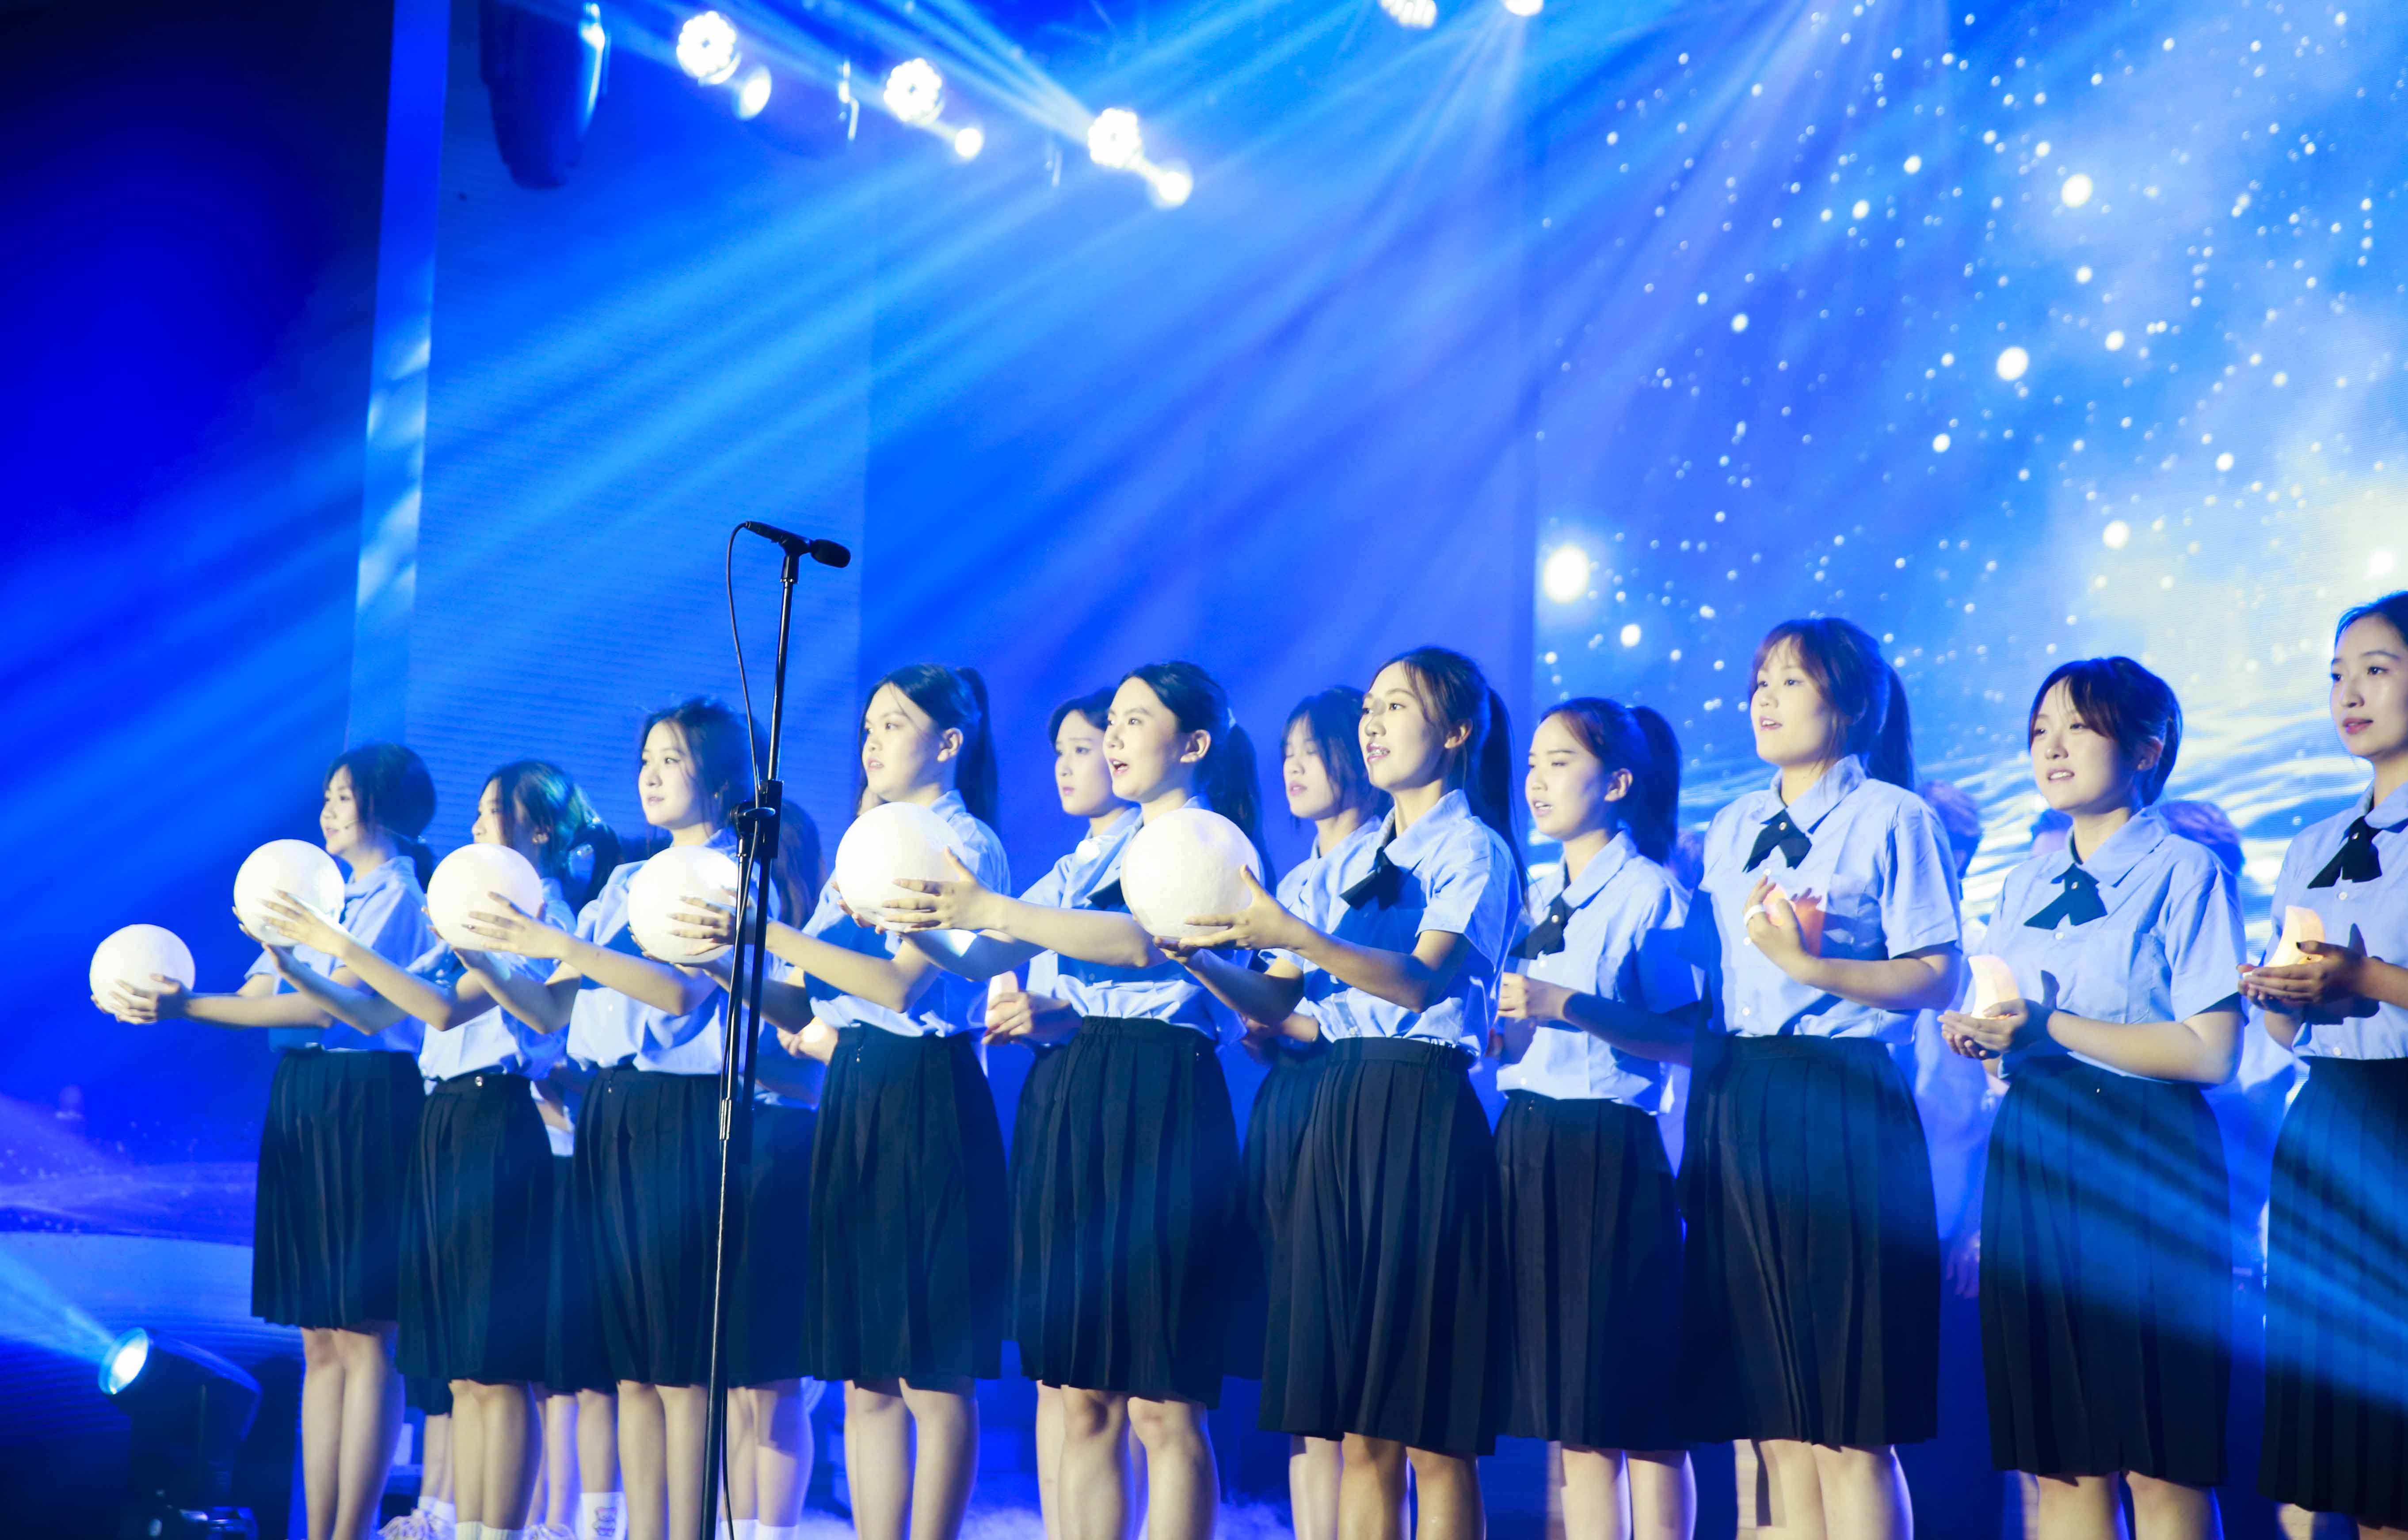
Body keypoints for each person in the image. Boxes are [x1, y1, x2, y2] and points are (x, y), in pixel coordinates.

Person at [883, 661, 1266, 1540]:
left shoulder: (1207, 841)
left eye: (1132, 722)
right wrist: (915, 922)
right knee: (1082, 1388)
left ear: (1194, 744)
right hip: (1078, 1086)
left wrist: (990, 907)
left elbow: (1140, 945)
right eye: (1112, 723)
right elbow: (990, 952)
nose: (1115, 740)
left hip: (1161, 1090)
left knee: (1163, 1402)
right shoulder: (1084, 858)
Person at [1158, 646, 1522, 1540]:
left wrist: (1295, 933)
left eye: (1396, 706)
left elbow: (1420, 983)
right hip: (1339, 1109)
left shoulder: (1474, 848)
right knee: (1358, 1426)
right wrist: (1199, 960)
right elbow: (1280, 999)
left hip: (1420, 1109)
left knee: (1431, 1431)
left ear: (1457, 732)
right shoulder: (1355, 862)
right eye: (1370, 708)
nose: (1374, 723)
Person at [675, 665, 1010, 1540]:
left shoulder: (961, 844)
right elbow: (803, 1000)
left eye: (894, 723)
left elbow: (898, 986)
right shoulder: (865, 844)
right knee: (865, 1371)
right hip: (856, 1087)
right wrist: (722, 959)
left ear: (950, 741)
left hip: (928, 1090)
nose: (872, 741)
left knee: (931, 1369)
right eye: (868, 726)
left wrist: (767, 933)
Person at [453, 700, 777, 1540]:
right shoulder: (625, 883)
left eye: (672, 759)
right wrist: (484, 955)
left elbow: (679, 991)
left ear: (722, 776)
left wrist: (557, 944)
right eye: (646, 760)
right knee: (630, 1363)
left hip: (685, 1115)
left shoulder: (730, 873)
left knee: (681, 1365)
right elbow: (548, 1010)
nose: (651, 775)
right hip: (610, 1110)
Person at [263, 762, 613, 1540]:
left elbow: (500, 1013)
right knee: (460, 1367)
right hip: (444, 1118)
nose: (478, 826)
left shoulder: (543, 913)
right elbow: (401, 1007)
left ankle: (498, 1530)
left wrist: (336, 941)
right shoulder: (471, 917)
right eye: (479, 812)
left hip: (498, 1119)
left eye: (494, 813)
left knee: (497, 1363)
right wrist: (299, 960)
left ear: (541, 831)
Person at [103, 744, 440, 1540]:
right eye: (327, 796)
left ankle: (351, 1527)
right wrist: (179, 999)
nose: (328, 811)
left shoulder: (398, 895)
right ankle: (316, 1528)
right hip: (305, 1098)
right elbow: (262, 991)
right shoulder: (319, 892)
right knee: (319, 1336)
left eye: (344, 797)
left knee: (366, 1333)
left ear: (386, 807)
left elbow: (330, 1008)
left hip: (367, 1101)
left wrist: (189, 1008)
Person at [1943, 657, 2245, 1540]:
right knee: (2062, 1455)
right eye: (2042, 729)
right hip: (2037, 1149)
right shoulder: (2023, 881)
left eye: (2079, 726)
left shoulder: (2185, 869)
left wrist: (2051, 1027)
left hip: (2147, 1155)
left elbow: (2212, 1051)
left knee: (2160, 1455)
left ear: (2148, 748)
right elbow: (2011, 1035)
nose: (2053, 746)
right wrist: (1987, 1040)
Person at [1678, 618, 1960, 1540]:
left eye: (1791, 682)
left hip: (1843, 1099)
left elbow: (1937, 976)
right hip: (1741, 1093)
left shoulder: (1893, 816)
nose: (1764, 699)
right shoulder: (1732, 825)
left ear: (1853, 705)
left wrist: (1811, 969)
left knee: (1849, 1415)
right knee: (1774, 1416)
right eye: (1760, 681)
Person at [1492, 698, 1697, 1540]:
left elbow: (1687, 1037)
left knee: (1638, 1405)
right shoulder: (1539, 894)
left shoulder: (1652, 892)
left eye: (1560, 762)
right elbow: (1516, 1023)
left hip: (1609, 1148)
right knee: (1571, 1406)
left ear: (1617, 783)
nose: (1537, 781)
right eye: (1532, 764)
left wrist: (1565, 1003)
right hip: (1528, 1140)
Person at [2245, 590, 2408, 1539]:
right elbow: (2284, 1038)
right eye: (2338, 675)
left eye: (2377, 670)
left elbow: (2364, 981)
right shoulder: (2311, 844)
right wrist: (2275, 994)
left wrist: (2362, 976)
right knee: (2346, 1443)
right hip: (2328, 1123)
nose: (2350, 693)